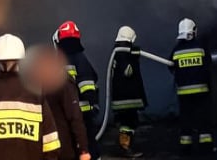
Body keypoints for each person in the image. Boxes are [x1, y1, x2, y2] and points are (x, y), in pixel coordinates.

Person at [26, 45, 91, 160]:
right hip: (63, 150)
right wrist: (83, 149)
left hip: (45, 149)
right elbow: (75, 117)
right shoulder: (63, 84)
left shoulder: (36, 86)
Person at [53, 21, 101, 159]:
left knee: (75, 143)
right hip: (83, 111)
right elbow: (88, 82)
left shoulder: (61, 61)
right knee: (87, 142)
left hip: (70, 112)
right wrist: (93, 103)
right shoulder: (80, 58)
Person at [170, 18, 215, 155]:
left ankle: (186, 147)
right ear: (194, 31)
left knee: (185, 120)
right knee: (203, 119)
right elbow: (209, 64)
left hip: (184, 93)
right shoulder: (200, 47)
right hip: (201, 90)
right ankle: (206, 147)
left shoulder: (176, 50)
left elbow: (170, 67)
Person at [109, 26, 147, 158]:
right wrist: (133, 57)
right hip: (127, 98)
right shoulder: (123, 53)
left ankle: (125, 145)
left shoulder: (118, 51)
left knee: (128, 123)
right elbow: (128, 71)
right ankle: (125, 147)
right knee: (128, 124)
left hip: (121, 97)